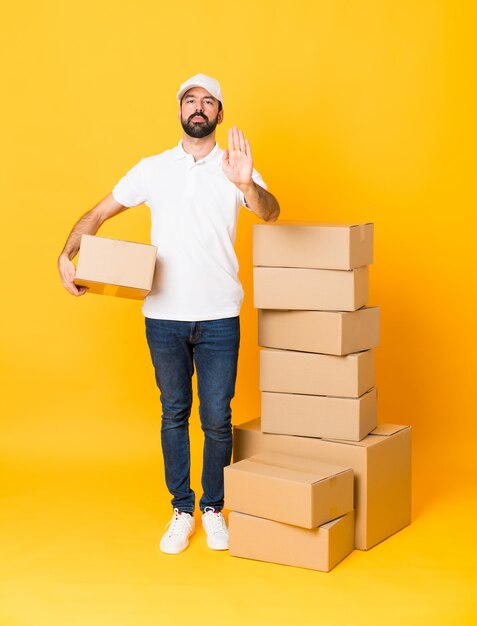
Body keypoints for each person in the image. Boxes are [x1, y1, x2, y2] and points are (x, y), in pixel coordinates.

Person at [57, 73, 280, 555]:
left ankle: (214, 509)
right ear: (180, 111)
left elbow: (271, 212)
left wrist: (247, 185)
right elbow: (97, 215)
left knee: (218, 419)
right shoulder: (152, 168)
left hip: (221, 316)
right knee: (174, 413)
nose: (198, 108)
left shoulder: (235, 165)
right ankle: (182, 508)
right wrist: (65, 253)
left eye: (208, 102)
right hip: (163, 318)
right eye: (190, 101)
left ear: (219, 114)